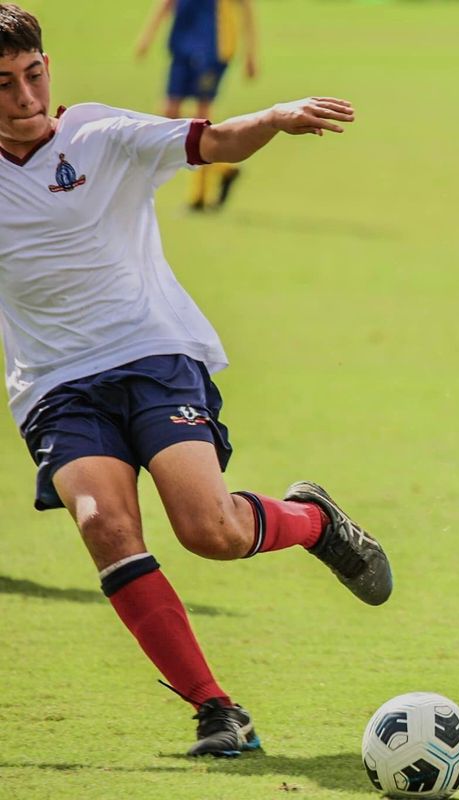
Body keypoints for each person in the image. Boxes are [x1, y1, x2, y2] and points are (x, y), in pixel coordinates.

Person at [0, 3, 391, 757]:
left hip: (152, 353)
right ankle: (217, 710)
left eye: (33, 73)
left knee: (212, 532)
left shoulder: (98, 134)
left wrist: (272, 118)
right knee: (104, 526)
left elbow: (212, 140)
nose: (25, 97)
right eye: (4, 84)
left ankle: (315, 523)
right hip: (55, 385)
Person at [135, 0, 258, 210]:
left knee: (201, 120)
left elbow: (246, 8)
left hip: (213, 47)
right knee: (168, 116)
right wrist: (148, 36)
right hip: (182, 42)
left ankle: (199, 195)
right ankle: (224, 169)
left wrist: (250, 54)